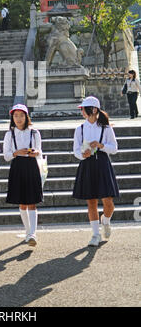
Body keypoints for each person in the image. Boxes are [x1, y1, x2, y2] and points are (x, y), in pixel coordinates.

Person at [73, 96, 119, 247]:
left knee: (108, 201)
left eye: (84, 109)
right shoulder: (80, 129)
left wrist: (101, 145)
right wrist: (82, 154)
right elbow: (76, 150)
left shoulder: (106, 128)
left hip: (103, 164)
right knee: (91, 201)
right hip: (87, 165)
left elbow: (114, 148)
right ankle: (95, 234)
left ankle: (105, 220)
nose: (82, 112)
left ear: (93, 110)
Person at [3, 104, 42, 247]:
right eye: (15, 115)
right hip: (17, 166)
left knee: (32, 201)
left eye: (21, 115)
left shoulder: (34, 132)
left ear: (26, 116)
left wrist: (35, 153)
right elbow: (6, 156)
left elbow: (40, 152)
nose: (18, 118)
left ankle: (33, 233)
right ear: (12, 118)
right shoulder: (9, 134)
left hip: (31, 165)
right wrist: (16, 153)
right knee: (22, 202)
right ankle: (28, 231)